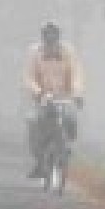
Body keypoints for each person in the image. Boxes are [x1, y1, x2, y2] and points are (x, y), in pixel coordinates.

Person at [22, 21, 85, 178]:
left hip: (64, 96)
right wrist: (38, 92)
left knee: (71, 119)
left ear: (58, 37)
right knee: (35, 124)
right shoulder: (35, 51)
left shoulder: (68, 51)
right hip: (42, 97)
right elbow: (29, 76)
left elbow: (76, 73)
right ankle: (39, 159)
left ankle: (67, 147)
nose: (50, 39)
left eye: (53, 35)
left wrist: (77, 93)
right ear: (43, 37)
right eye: (47, 35)